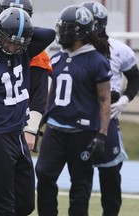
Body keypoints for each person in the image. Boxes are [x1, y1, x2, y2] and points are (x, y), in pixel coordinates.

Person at [0, 7, 55, 215]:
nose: (12, 46)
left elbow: (50, 34)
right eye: (8, 40)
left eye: (18, 42)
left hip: (17, 133)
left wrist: (23, 28)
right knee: (2, 204)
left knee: (26, 203)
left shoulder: (26, 50)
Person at [35, 5, 112, 216]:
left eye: (66, 28)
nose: (61, 32)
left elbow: (105, 100)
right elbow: (52, 93)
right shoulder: (58, 57)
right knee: (43, 173)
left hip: (82, 131)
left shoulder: (96, 60)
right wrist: (41, 121)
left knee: (80, 184)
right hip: (56, 128)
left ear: (79, 31)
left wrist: (102, 135)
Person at [81, 2, 139, 216]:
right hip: (81, 118)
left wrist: (125, 98)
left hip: (108, 119)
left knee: (110, 175)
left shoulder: (119, 49)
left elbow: (134, 77)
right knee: (81, 177)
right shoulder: (75, 50)